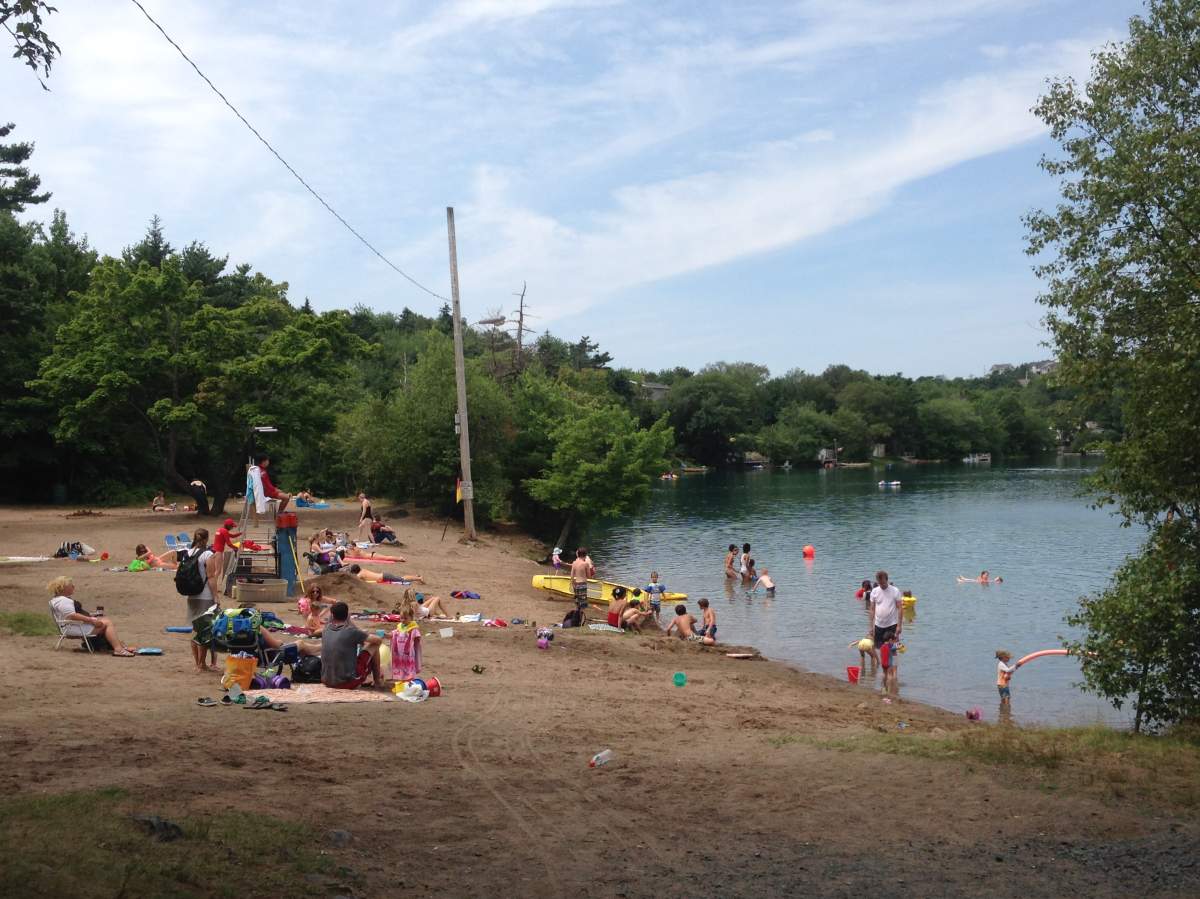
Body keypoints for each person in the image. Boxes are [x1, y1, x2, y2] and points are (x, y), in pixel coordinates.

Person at [47, 575, 136, 656]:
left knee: (103, 621)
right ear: (64, 588)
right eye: (71, 585)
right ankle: (118, 649)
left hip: (69, 626)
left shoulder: (57, 600)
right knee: (107, 623)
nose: (73, 587)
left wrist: (92, 617)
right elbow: (72, 615)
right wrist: (91, 620)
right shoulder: (64, 600)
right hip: (73, 628)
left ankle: (119, 646)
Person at [180, 528, 223, 672]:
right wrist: (216, 596)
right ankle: (202, 664)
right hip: (205, 596)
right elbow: (211, 577)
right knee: (205, 631)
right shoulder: (207, 554)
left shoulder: (188, 553)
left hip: (192, 596)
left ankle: (197, 663)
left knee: (195, 630)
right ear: (206, 539)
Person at [321, 601, 384, 689]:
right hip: (346, 682)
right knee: (374, 645)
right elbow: (378, 640)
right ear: (347, 615)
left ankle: (375, 679)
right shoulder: (351, 631)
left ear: (332, 615)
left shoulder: (326, 629)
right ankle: (377, 681)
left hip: (326, 680)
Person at [869, 569, 902, 684]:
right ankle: (885, 672)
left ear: (887, 580)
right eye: (879, 583)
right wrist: (871, 626)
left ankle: (894, 674)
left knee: (894, 650)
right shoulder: (874, 591)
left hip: (892, 624)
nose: (881, 585)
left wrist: (899, 626)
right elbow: (872, 609)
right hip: (878, 625)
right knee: (881, 649)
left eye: (883, 582)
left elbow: (900, 608)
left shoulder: (895, 591)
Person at [348, 563, 425, 585]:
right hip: (383, 575)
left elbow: (357, 580)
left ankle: (418, 578)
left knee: (402, 579)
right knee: (401, 578)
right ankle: (415, 576)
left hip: (384, 577)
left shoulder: (360, 575)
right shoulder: (363, 570)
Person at [570, 548, 591, 621]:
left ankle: (576, 619)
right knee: (582, 604)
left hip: (576, 584)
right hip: (582, 584)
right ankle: (579, 620)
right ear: (585, 555)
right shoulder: (585, 564)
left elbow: (572, 576)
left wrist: (573, 584)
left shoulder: (574, 563)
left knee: (577, 603)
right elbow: (589, 576)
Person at [338, 545, 406, 563]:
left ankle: (399, 558)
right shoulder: (356, 549)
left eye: (350, 547)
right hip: (372, 555)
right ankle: (399, 558)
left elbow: (354, 556)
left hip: (372, 556)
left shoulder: (355, 550)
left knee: (387, 558)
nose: (349, 548)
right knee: (386, 557)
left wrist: (346, 553)